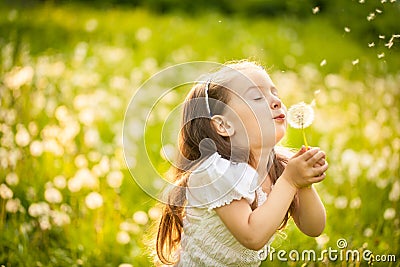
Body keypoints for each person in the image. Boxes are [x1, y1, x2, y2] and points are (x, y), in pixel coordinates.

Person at [155, 60, 328, 266]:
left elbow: (313, 227)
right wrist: (291, 182)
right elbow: (252, 236)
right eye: (256, 97)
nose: (275, 101)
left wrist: (304, 185)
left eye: (275, 93)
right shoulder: (216, 173)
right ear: (223, 125)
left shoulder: (281, 166)